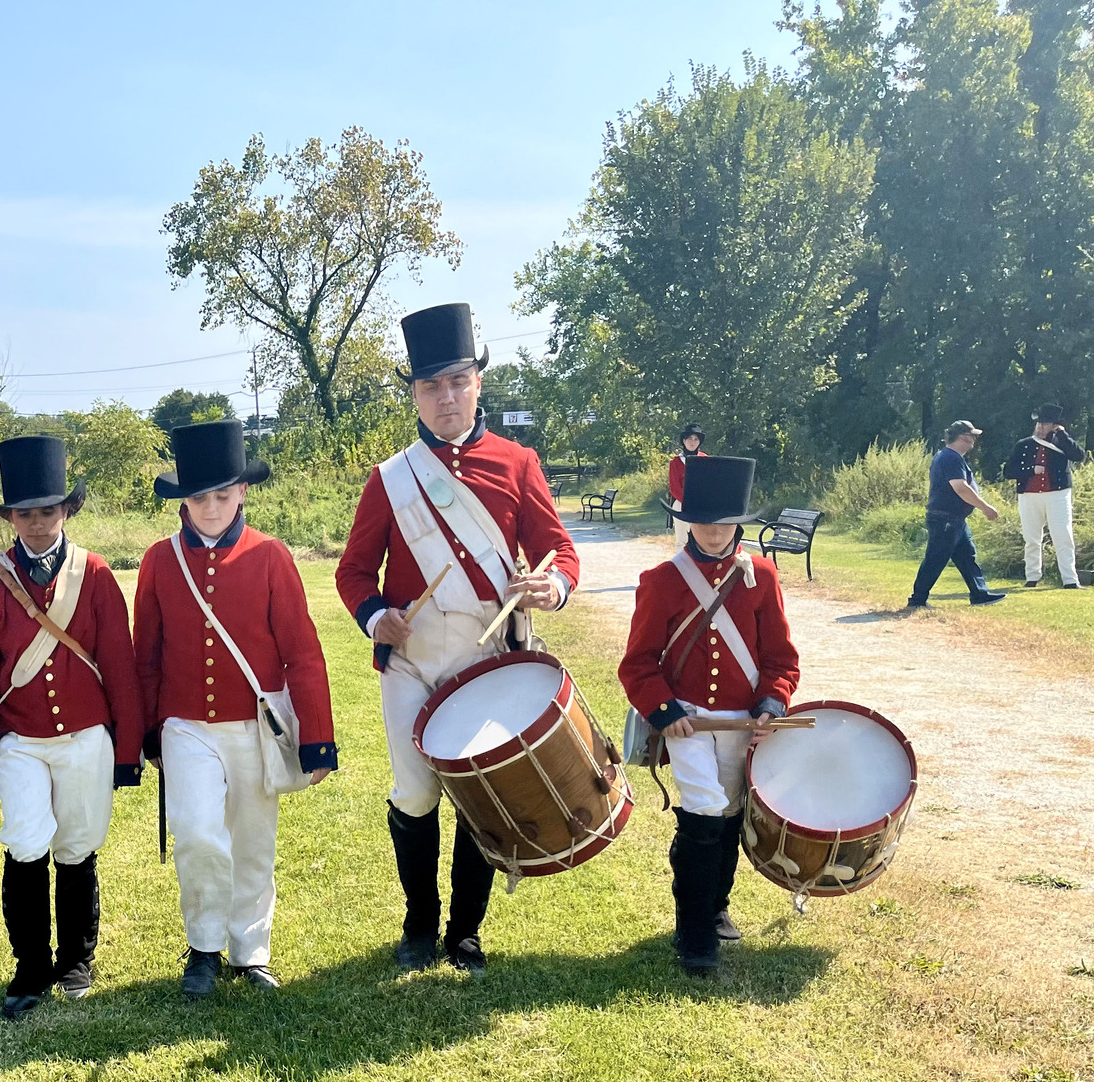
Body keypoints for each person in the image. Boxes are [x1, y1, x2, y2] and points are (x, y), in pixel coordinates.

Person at [333, 302, 580, 977]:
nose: (446, 397)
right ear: (414, 393)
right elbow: (354, 573)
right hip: (413, 659)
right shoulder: (390, 478)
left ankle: (463, 932)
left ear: (478, 383)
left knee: (481, 795)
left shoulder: (518, 462)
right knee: (415, 795)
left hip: (488, 656)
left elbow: (558, 551)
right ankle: (418, 923)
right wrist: (374, 613)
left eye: (458, 382)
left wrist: (551, 587)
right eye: (431, 386)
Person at [135, 419, 337, 998]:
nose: (211, 507)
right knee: (198, 834)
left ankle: (250, 951)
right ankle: (202, 948)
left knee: (253, 840)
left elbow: (302, 651)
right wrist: (147, 732)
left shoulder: (272, 556)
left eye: (222, 494)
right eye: (199, 496)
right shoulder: (158, 559)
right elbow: (144, 654)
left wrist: (317, 738)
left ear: (242, 491)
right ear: (183, 500)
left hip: (255, 724)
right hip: (183, 724)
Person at [0, 435, 143, 1021]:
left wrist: (127, 747)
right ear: (10, 517)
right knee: (26, 841)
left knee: (78, 844)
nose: (36, 523)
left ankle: (77, 958)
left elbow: (119, 665)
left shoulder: (94, 574)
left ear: (67, 510)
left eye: (47, 510)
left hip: (87, 737)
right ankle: (31, 965)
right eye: (25, 513)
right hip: (19, 741)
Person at [619, 456, 801, 975]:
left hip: (744, 722)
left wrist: (771, 702)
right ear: (685, 520)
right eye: (703, 520)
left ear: (739, 522)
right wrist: (665, 710)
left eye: (723, 521)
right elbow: (638, 664)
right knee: (701, 812)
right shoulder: (661, 578)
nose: (714, 531)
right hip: (689, 721)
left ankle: (716, 904)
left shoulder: (762, 575)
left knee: (728, 818)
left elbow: (780, 659)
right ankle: (694, 932)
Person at [907, 420, 1007, 609]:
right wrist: (985, 507)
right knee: (936, 558)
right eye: (972, 436)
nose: (974, 440)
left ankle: (980, 594)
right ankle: (917, 599)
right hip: (946, 518)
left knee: (967, 557)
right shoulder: (951, 458)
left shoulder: (947, 456)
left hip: (953, 519)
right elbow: (960, 488)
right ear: (962, 437)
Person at [1007, 404, 1086, 588]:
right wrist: (1030, 470)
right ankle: (1032, 576)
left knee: (1063, 537)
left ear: (1054, 425)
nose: (1041, 427)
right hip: (1029, 495)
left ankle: (1070, 579)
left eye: (1046, 424)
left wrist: (1062, 435)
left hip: (1057, 494)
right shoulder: (1024, 444)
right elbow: (1009, 471)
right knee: (1032, 538)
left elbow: (1078, 455)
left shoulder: (1062, 442)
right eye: (1040, 423)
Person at [667, 424, 705, 513]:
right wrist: (690, 502)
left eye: (696, 439)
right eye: (690, 439)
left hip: (704, 501)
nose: (693, 442)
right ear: (684, 441)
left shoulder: (706, 459)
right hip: (682, 501)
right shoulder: (675, 462)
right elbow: (675, 488)